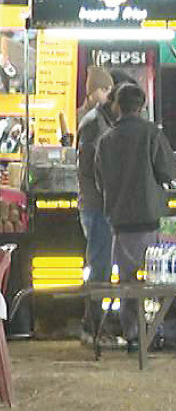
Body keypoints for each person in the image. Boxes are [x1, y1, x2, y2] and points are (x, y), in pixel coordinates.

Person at [95, 83, 176, 350]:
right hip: (149, 219)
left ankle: (132, 334)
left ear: (117, 106)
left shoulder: (105, 140)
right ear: (141, 106)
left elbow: (99, 181)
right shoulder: (152, 133)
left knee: (128, 281)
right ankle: (154, 332)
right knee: (155, 280)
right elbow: (167, 172)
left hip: (119, 221)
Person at [76, 80, 123, 341]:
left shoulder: (101, 120)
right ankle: (92, 327)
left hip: (99, 203)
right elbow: (95, 169)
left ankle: (98, 323)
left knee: (101, 264)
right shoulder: (95, 124)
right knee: (100, 265)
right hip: (97, 205)